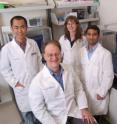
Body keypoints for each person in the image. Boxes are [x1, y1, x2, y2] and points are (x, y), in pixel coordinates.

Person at [29, 40, 95, 124]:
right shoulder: (37, 82)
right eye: (50, 55)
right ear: (44, 56)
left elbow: (78, 89)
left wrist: (84, 108)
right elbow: (38, 110)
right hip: (55, 119)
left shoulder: (69, 69)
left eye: (57, 54)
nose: (54, 58)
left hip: (73, 113)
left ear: (61, 54)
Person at [0, 16, 43, 124]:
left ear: (26, 28)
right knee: (27, 115)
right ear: (12, 29)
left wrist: (42, 78)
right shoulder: (7, 49)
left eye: (22, 27)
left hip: (36, 84)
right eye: (16, 27)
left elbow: (39, 61)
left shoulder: (32, 43)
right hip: (21, 88)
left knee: (39, 112)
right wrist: (16, 83)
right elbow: (4, 69)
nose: (20, 30)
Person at [79, 25, 114, 124]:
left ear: (98, 36)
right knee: (85, 120)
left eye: (94, 34)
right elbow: (79, 71)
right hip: (84, 94)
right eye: (89, 34)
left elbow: (109, 76)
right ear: (85, 36)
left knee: (96, 120)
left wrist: (102, 92)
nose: (91, 37)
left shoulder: (105, 54)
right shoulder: (81, 51)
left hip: (97, 95)